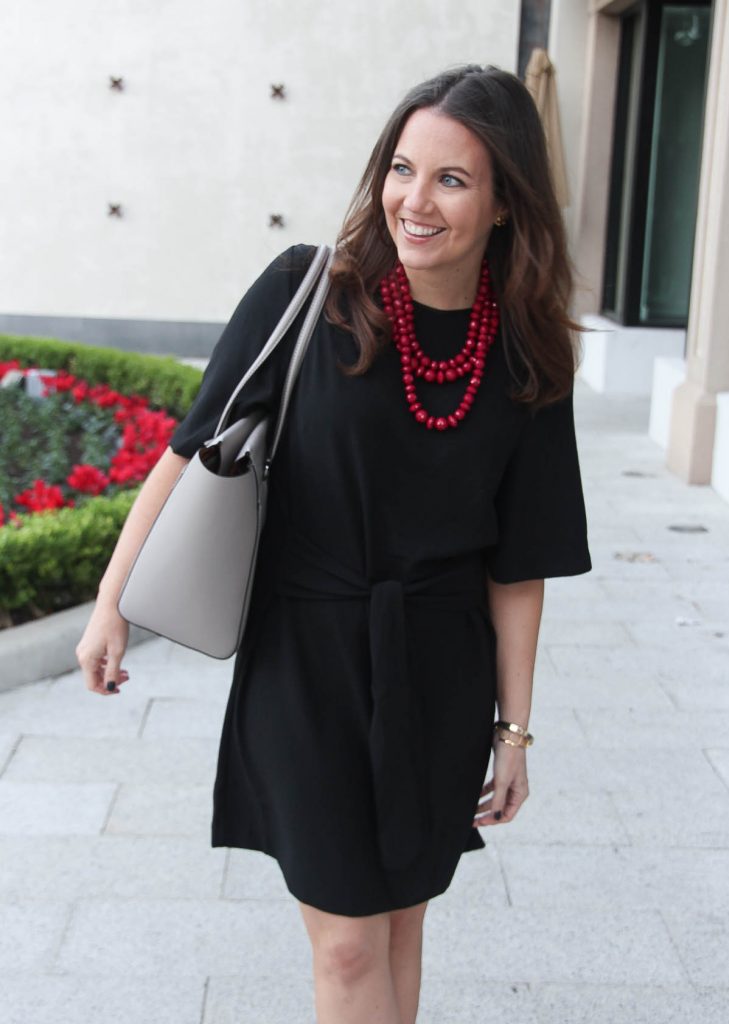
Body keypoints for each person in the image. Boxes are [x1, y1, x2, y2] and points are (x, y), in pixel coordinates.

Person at [77, 64, 591, 1024]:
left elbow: (518, 565)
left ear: (506, 204)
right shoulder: (309, 293)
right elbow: (187, 454)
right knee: (350, 945)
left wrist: (514, 732)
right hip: (305, 656)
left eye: (451, 178)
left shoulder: (529, 355)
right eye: (402, 168)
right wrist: (113, 602)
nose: (414, 200)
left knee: (400, 922)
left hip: (438, 670)